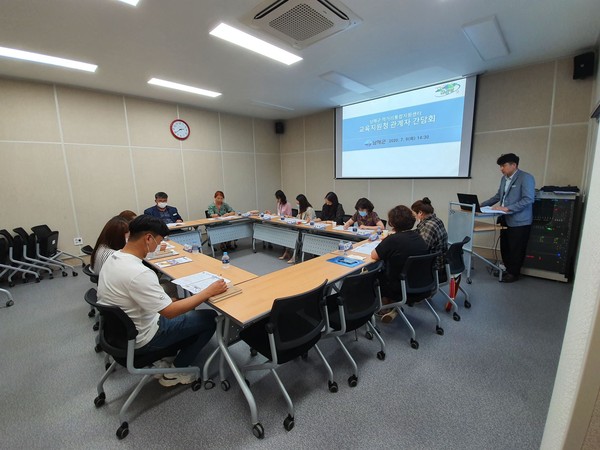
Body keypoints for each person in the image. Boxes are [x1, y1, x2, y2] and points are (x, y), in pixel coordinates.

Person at [97, 215, 227, 387]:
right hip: (145, 338)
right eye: (158, 241)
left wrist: (168, 300)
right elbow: (170, 312)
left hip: (122, 333)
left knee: (185, 308)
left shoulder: (114, 259)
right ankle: (178, 370)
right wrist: (208, 292)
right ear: (148, 238)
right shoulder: (138, 272)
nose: (158, 246)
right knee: (210, 318)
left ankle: (169, 355)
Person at [481, 153, 535, 283]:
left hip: (520, 221)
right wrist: (480, 205)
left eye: (503, 165)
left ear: (514, 165)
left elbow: (528, 199)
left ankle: (513, 273)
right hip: (505, 219)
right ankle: (507, 269)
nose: (501, 169)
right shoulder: (504, 179)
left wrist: (507, 208)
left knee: (516, 248)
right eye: (500, 166)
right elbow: (498, 196)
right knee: (505, 246)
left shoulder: (526, 177)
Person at [371, 205, 429, 323]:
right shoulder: (418, 237)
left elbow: (373, 255)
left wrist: (386, 242)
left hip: (400, 287)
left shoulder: (393, 240)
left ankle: (385, 306)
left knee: (372, 274)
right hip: (423, 283)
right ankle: (390, 306)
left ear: (392, 223)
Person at [411, 197, 448, 281]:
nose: (414, 217)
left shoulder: (428, 225)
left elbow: (422, 249)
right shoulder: (436, 220)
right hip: (442, 262)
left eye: (414, 214)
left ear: (420, 213)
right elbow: (418, 231)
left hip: (434, 267)